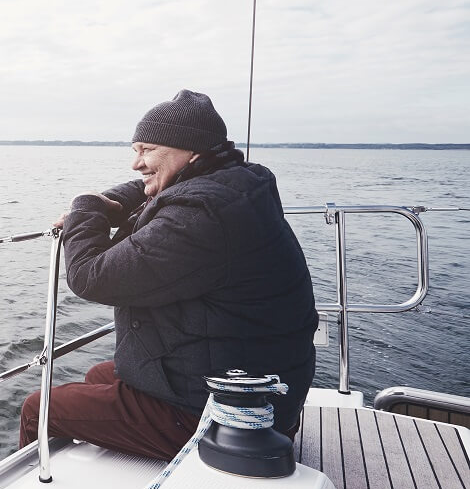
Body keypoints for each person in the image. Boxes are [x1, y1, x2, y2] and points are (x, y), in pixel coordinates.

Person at [19, 90, 317, 460]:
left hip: (224, 414)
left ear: (191, 152)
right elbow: (146, 190)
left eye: (147, 150)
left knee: (39, 407)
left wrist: (84, 206)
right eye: (135, 151)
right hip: (248, 383)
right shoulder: (237, 182)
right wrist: (110, 204)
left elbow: (90, 276)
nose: (137, 163)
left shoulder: (203, 213)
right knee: (101, 373)